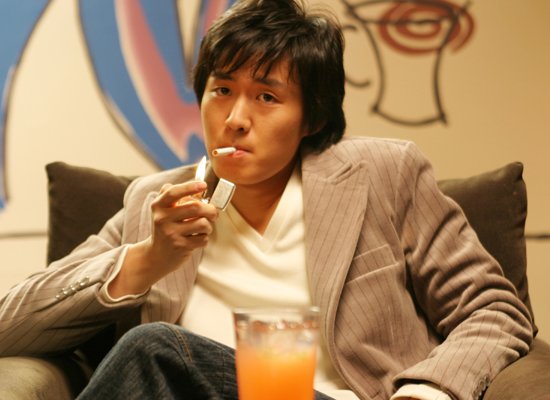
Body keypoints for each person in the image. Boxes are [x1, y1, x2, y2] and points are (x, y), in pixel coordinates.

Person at [0, 0, 533, 399]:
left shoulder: (384, 174)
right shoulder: (155, 204)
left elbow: (494, 309)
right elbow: (10, 326)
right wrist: (147, 258)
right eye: (221, 90)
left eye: (267, 96)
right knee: (155, 348)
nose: (235, 118)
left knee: (155, 346)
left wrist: (425, 393)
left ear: (313, 118)